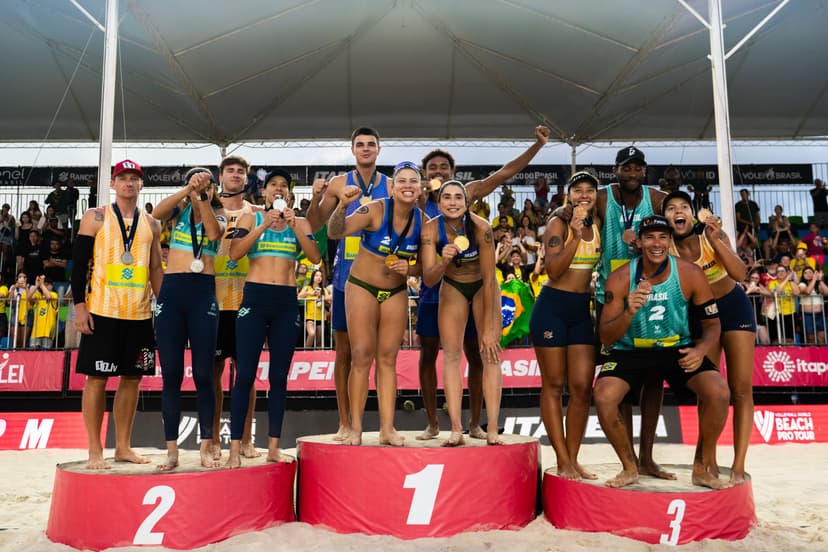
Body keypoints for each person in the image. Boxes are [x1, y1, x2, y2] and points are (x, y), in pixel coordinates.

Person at [413, 126, 550, 440]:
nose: (438, 173)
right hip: (442, 284)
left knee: (484, 350)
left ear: (456, 178)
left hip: (479, 284)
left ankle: (483, 425)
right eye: (432, 170)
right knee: (434, 354)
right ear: (426, 175)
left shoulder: (473, 205)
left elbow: (506, 172)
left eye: (444, 169)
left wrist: (537, 146)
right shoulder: (421, 207)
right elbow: (427, 272)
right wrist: (443, 256)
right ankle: (444, 426)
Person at [595, 215, 730, 490]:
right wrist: (628, 311)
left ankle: (701, 468)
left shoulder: (690, 273)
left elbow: (713, 325)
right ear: (640, 242)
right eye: (650, 237)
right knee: (604, 396)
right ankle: (630, 466)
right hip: (630, 349)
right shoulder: (621, 278)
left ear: (669, 241)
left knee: (719, 392)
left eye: (662, 237)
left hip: (674, 348)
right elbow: (606, 337)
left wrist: (701, 348)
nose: (656, 243)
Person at [72, 159, 164, 469]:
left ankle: (123, 446)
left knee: (132, 378)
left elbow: (155, 269)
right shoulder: (95, 217)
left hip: (138, 314)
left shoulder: (152, 223)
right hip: (102, 310)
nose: (128, 183)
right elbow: (79, 263)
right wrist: (80, 306)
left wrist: (162, 309)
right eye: (122, 178)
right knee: (96, 378)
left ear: (141, 185)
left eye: (134, 178)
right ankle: (95, 449)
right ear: (112, 184)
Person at [226, 169, 321, 467]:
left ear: (290, 194)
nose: (278, 189)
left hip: (285, 303)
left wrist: (293, 227)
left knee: (279, 378)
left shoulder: (300, 222)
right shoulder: (250, 217)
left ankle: (273, 448)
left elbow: (315, 257)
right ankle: (234, 450)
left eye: (283, 186)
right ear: (264, 193)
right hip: (255, 298)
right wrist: (263, 224)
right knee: (244, 376)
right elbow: (234, 253)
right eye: (273, 185)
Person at [327, 161, 424, 446]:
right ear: (392, 187)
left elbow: (427, 269)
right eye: (402, 181)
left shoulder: (422, 222)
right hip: (362, 287)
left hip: (394, 292)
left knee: (388, 360)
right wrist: (342, 206)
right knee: (360, 355)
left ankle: (387, 429)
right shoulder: (375, 210)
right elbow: (335, 232)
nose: (407, 185)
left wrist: (412, 269)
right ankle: (355, 428)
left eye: (413, 181)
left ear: (419, 188)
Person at [663, 191, 755, 484]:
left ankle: (739, 465)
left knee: (741, 389)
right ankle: (709, 461)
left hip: (733, 305)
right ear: (666, 219)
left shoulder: (711, 235)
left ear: (692, 214)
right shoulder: (667, 249)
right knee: (711, 390)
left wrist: (717, 240)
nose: (678, 212)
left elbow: (740, 273)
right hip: (704, 317)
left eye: (684, 207)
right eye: (671, 209)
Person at [306, 127, 390, 440]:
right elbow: (316, 225)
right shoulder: (340, 183)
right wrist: (317, 198)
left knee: (383, 353)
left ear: (379, 150)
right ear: (353, 150)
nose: (365, 149)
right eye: (360, 145)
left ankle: (385, 424)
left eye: (371, 144)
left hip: (381, 277)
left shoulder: (392, 186)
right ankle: (345, 422)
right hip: (346, 279)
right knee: (344, 352)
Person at [591, 145, 668, 480]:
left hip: (652, 294)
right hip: (609, 295)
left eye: (638, 168)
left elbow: (681, 216)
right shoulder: (602, 198)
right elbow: (571, 210)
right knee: (617, 375)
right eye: (627, 168)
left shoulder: (657, 198)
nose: (633, 174)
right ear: (615, 171)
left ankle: (647, 457)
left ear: (645, 172)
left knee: (654, 376)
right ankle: (629, 461)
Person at [152, 167, 226, 470]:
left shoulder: (218, 211)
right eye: (195, 179)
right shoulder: (178, 210)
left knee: (203, 374)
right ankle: (171, 451)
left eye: (206, 180)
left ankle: (207, 444)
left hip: (202, 292)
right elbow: (155, 214)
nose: (199, 184)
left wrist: (203, 198)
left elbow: (212, 233)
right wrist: (187, 191)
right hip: (172, 292)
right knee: (171, 375)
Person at [530, 169, 601, 479]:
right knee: (554, 385)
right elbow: (555, 270)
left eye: (589, 189)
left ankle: (573, 457)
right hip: (552, 308)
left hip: (580, 310)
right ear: (569, 195)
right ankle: (561, 459)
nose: (584, 194)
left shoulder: (599, 223)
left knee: (583, 388)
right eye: (578, 190)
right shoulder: (558, 223)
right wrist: (573, 233)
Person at [421, 180, 503, 446]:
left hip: (482, 286)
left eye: (458, 197)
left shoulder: (482, 228)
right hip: (453, 286)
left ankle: (491, 428)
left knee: (490, 352)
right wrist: (444, 261)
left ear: (467, 203)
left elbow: (490, 279)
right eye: (447, 197)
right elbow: (430, 279)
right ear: (439, 201)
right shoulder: (431, 229)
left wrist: (490, 328)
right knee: (452, 355)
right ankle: (456, 429)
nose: (453, 202)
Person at [211, 155, 260, 460]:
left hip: (245, 302)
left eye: (241, 171)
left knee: (246, 376)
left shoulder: (256, 214)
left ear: (246, 178)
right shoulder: (208, 213)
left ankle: (244, 440)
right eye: (230, 170)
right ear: (221, 176)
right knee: (212, 373)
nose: (236, 174)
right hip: (213, 304)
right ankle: (213, 438)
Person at [761, 264, 799, 344]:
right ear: (776, 273)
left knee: (789, 338)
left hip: (790, 313)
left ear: (786, 272)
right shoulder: (772, 283)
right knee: (776, 339)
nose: (780, 273)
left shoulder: (791, 283)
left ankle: (790, 354)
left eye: (782, 271)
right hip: (776, 314)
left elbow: (796, 292)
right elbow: (778, 292)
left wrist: (790, 280)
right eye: (778, 271)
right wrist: (787, 278)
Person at [299, 268, 331, 348]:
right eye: (317, 275)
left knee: (319, 342)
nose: (319, 277)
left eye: (320, 276)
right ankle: (305, 353)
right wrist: (311, 293)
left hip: (321, 317)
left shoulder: (324, 289)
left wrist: (322, 297)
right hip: (310, 317)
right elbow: (299, 296)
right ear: (313, 277)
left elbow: (329, 301)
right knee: (311, 334)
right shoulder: (307, 288)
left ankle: (317, 356)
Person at [798, 266, 828, 344]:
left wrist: (820, 280)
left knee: (822, 338)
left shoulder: (818, 284)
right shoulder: (802, 284)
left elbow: (827, 293)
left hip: (820, 314)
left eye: (810, 272)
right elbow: (807, 291)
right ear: (803, 276)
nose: (808, 274)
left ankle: (822, 356)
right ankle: (812, 356)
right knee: (810, 338)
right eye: (805, 273)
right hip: (807, 315)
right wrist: (814, 279)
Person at [28, 275, 58, 349]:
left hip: (48, 330)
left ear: (51, 285)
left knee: (46, 351)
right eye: (45, 284)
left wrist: (41, 284)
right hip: (36, 330)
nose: (46, 286)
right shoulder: (38, 295)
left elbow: (48, 296)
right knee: (33, 351)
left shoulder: (54, 294)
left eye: (47, 284)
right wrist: (36, 285)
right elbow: (28, 297)